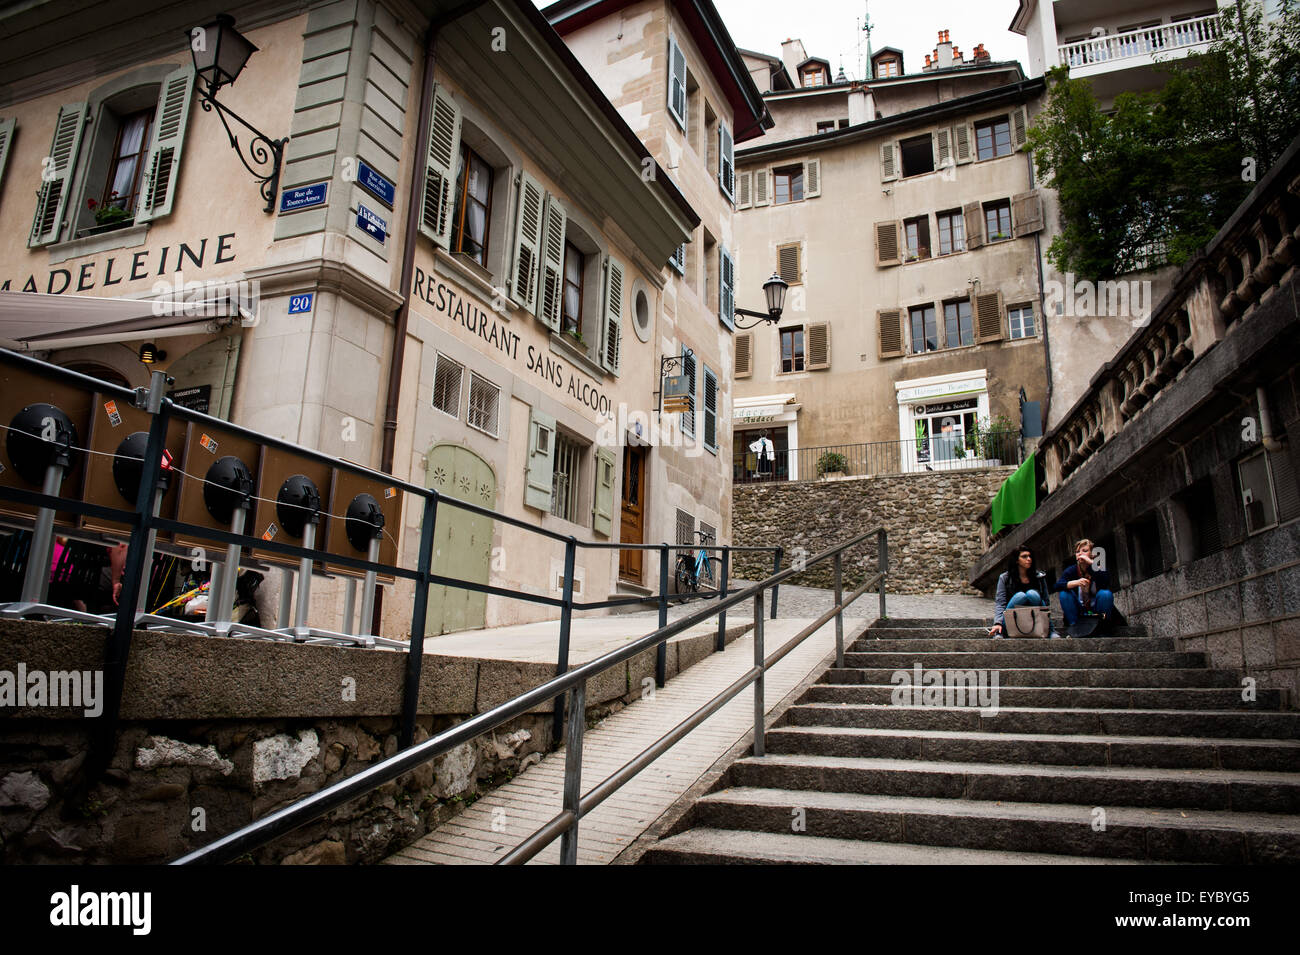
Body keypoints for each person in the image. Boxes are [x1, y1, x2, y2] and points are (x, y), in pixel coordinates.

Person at [989, 544, 1061, 639]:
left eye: (1030, 556)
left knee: (1032, 594)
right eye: (1024, 556)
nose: (1029, 559)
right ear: (1017, 560)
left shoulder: (1039, 576)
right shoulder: (1005, 578)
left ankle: (1051, 630)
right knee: (1021, 596)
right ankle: (1000, 632)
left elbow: (1045, 601)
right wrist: (997, 623)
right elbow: (1000, 603)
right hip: (1013, 615)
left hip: (1035, 612)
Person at [1056, 538, 1114, 631]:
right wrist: (1076, 582)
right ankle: (1074, 627)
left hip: (1096, 610)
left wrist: (1091, 563)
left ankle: (1104, 626)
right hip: (1080, 611)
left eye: (1085, 551)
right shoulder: (1071, 570)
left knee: (1105, 594)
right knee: (1064, 594)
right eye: (1077, 551)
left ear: (1091, 554)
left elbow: (1105, 581)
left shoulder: (1097, 568)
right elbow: (1057, 585)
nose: (1080, 553)